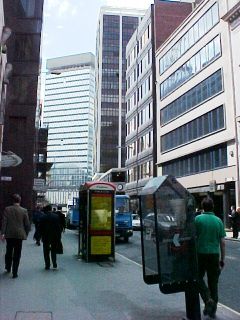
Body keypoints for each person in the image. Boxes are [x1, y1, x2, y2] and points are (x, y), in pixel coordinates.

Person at [195, 197, 225, 318]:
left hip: (200, 254)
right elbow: (222, 242)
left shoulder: (197, 219)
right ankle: (212, 310)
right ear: (213, 207)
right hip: (214, 255)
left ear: (202, 207)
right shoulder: (218, 221)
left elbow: (193, 237)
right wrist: (222, 259)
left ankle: (207, 299)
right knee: (213, 283)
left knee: (197, 278)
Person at [0, 194, 30, 278]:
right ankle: (15, 272)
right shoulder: (24, 210)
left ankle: (8, 267)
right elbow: (27, 224)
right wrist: (26, 233)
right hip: (19, 235)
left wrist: (2, 233)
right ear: (20, 201)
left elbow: (4, 222)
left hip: (9, 234)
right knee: (17, 253)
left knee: (9, 251)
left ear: (12, 201)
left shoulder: (7, 209)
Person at [39, 204, 62, 270]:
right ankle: (54, 263)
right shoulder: (56, 217)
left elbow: (40, 228)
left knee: (46, 251)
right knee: (53, 250)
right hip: (54, 236)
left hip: (45, 236)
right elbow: (58, 228)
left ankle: (47, 265)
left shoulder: (43, 217)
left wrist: (39, 236)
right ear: (51, 209)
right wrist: (59, 237)